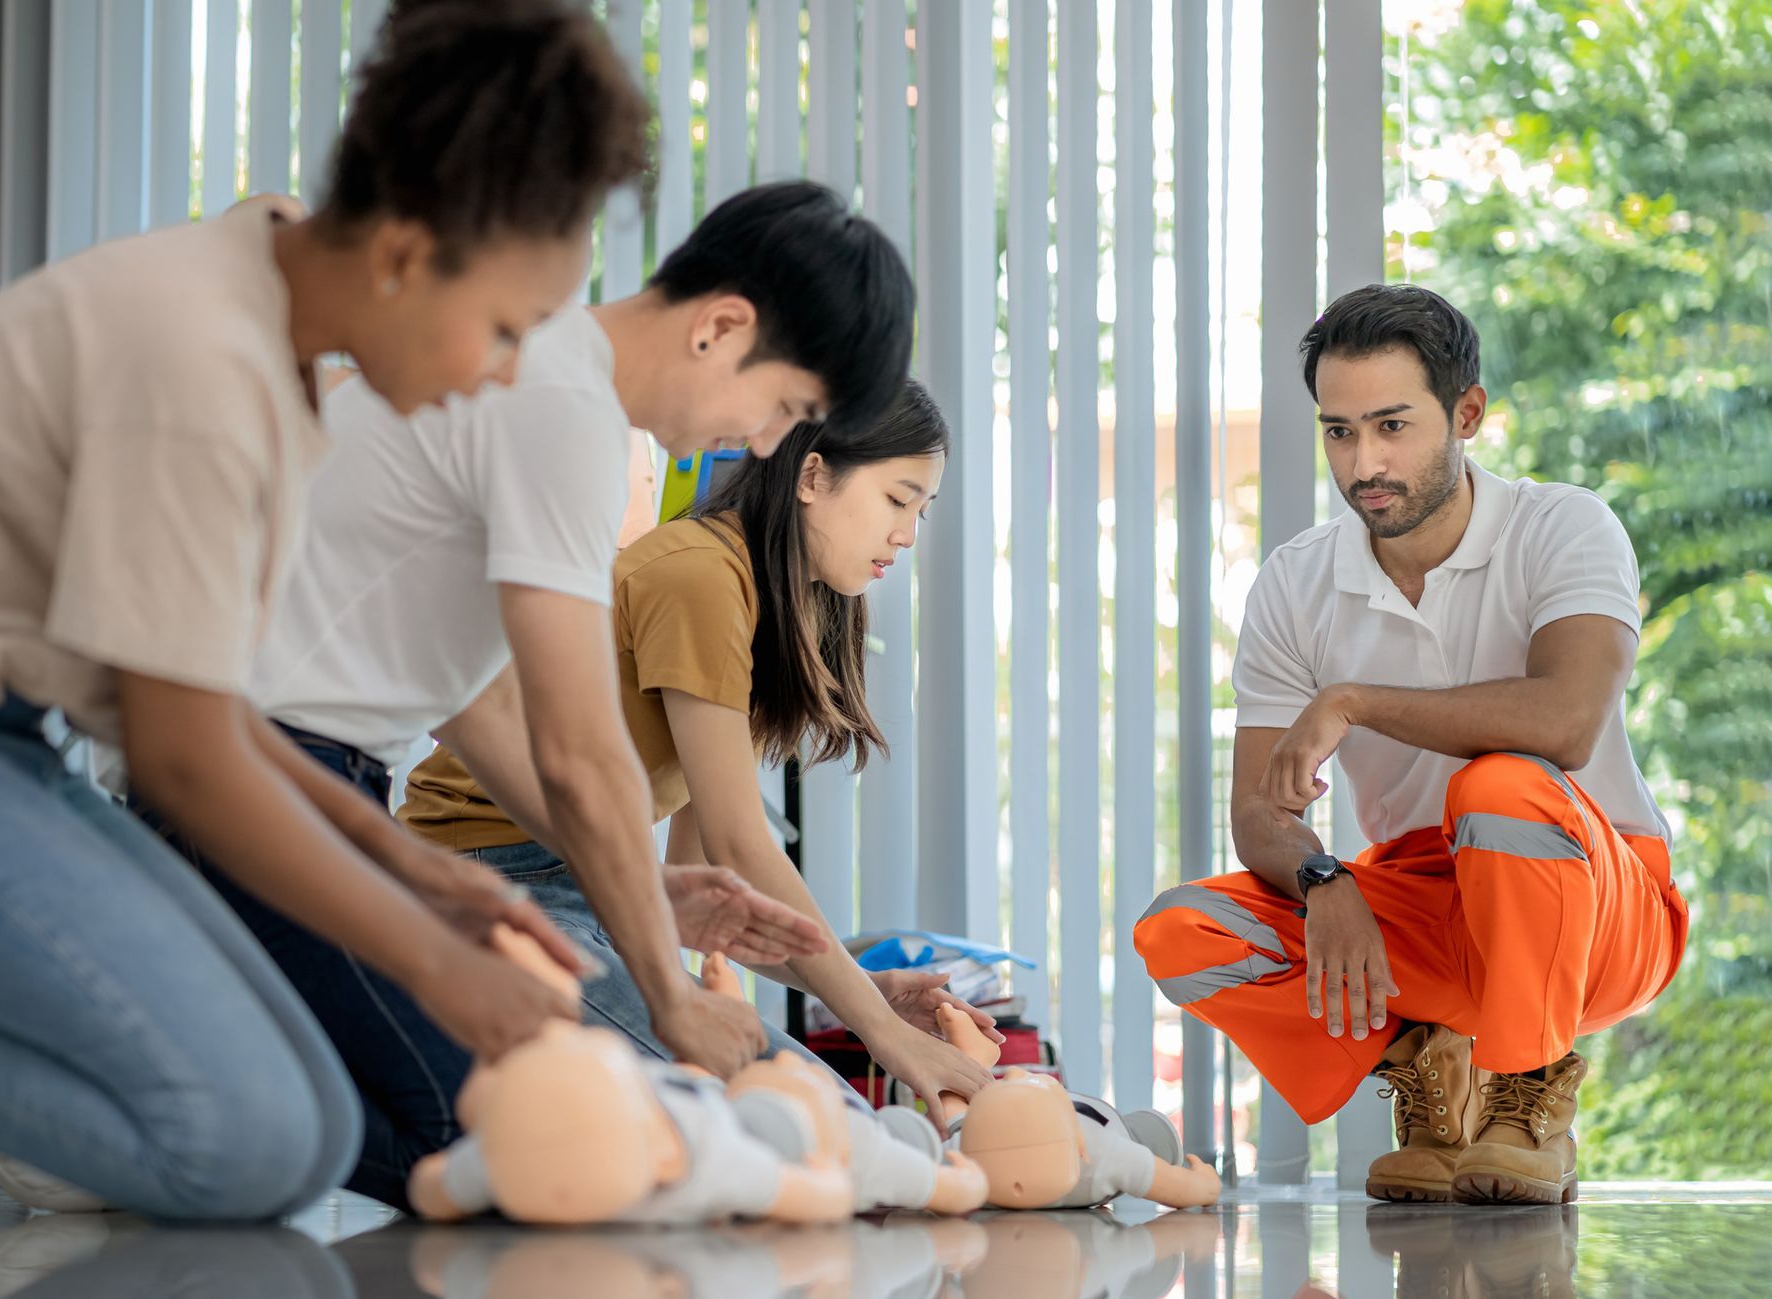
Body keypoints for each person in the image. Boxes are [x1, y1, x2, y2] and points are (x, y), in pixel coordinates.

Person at [0, 1, 647, 1219]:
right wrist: (433, 958)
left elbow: (210, 723)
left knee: (317, 1123)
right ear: (399, 254)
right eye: (502, 329)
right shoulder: (203, 364)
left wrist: (425, 876)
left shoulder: (271, 329)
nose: (499, 374)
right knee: (247, 1146)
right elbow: (182, 766)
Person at [141, 181, 921, 1208]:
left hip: (322, 782)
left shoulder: (568, 395)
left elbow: (480, 709)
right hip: (261, 770)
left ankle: (190, 1068)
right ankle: (147, 1085)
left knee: (456, 1111)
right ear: (722, 327)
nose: (769, 443)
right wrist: (666, 995)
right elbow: (574, 748)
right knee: (502, 1126)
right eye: (784, 406)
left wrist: (641, 896)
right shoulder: (564, 410)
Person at [1134, 284, 1688, 1206]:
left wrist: (1352, 700)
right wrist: (1325, 881)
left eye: (1392, 424)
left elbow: (1565, 724)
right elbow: (1260, 815)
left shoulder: (1564, 526)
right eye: (1339, 431)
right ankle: (1437, 1069)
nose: (1364, 463)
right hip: (1427, 902)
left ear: (1467, 412)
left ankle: (1527, 1101)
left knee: (1501, 786)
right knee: (1183, 929)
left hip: (1601, 905)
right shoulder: (1296, 582)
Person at [401, 380, 1001, 1126]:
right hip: (494, 883)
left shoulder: (758, 598)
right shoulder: (701, 576)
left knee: (825, 1126)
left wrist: (860, 993)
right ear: (813, 476)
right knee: (821, 1129)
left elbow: (704, 891)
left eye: (921, 511)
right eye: (897, 499)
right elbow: (740, 845)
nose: (908, 534)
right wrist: (876, 1033)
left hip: (595, 893)